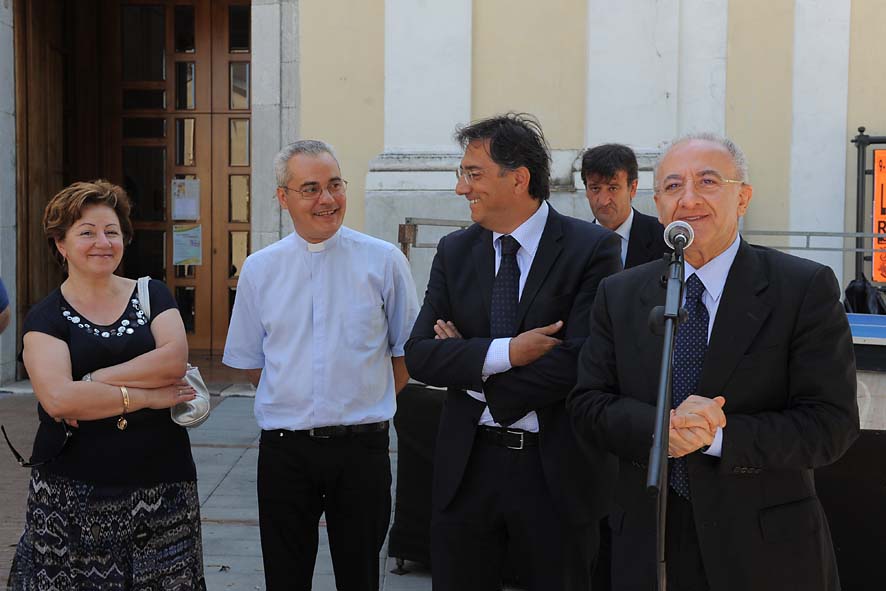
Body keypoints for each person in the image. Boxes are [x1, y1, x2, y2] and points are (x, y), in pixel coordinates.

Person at [567, 133, 859, 591]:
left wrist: (718, 436)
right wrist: (660, 429)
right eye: (672, 186)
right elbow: (588, 405)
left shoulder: (802, 288)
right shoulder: (620, 293)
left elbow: (831, 425)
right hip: (648, 542)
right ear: (658, 204)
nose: (688, 199)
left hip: (764, 548)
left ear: (742, 197)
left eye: (707, 182)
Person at [404, 113, 622, 591]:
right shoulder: (455, 251)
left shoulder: (593, 249)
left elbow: (581, 360)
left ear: (519, 178)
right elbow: (419, 354)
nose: (461, 188)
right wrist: (509, 353)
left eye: (473, 174)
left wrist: (471, 365)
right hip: (467, 472)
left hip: (556, 474)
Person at [223, 140, 419, 591]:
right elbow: (253, 363)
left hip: (362, 451)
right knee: (285, 577)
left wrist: (362, 400)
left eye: (335, 185)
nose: (327, 199)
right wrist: (298, 399)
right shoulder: (260, 269)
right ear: (283, 197)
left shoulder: (383, 261)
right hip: (285, 451)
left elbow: (406, 351)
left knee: (360, 577)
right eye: (310, 188)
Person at [7, 180, 205, 590]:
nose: (102, 242)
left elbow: (172, 361)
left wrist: (93, 381)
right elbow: (59, 399)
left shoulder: (153, 295)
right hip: (72, 494)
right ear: (60, 244)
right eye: (87, 232)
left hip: (162, 489)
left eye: (111, 231)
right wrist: (146, 396)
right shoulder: (45, 317)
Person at [582, 142, 668, 268]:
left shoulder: (663, 238)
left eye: (613, 188)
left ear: (633, 188)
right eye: (595, 188)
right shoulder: (576, 245)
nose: (603, 201)